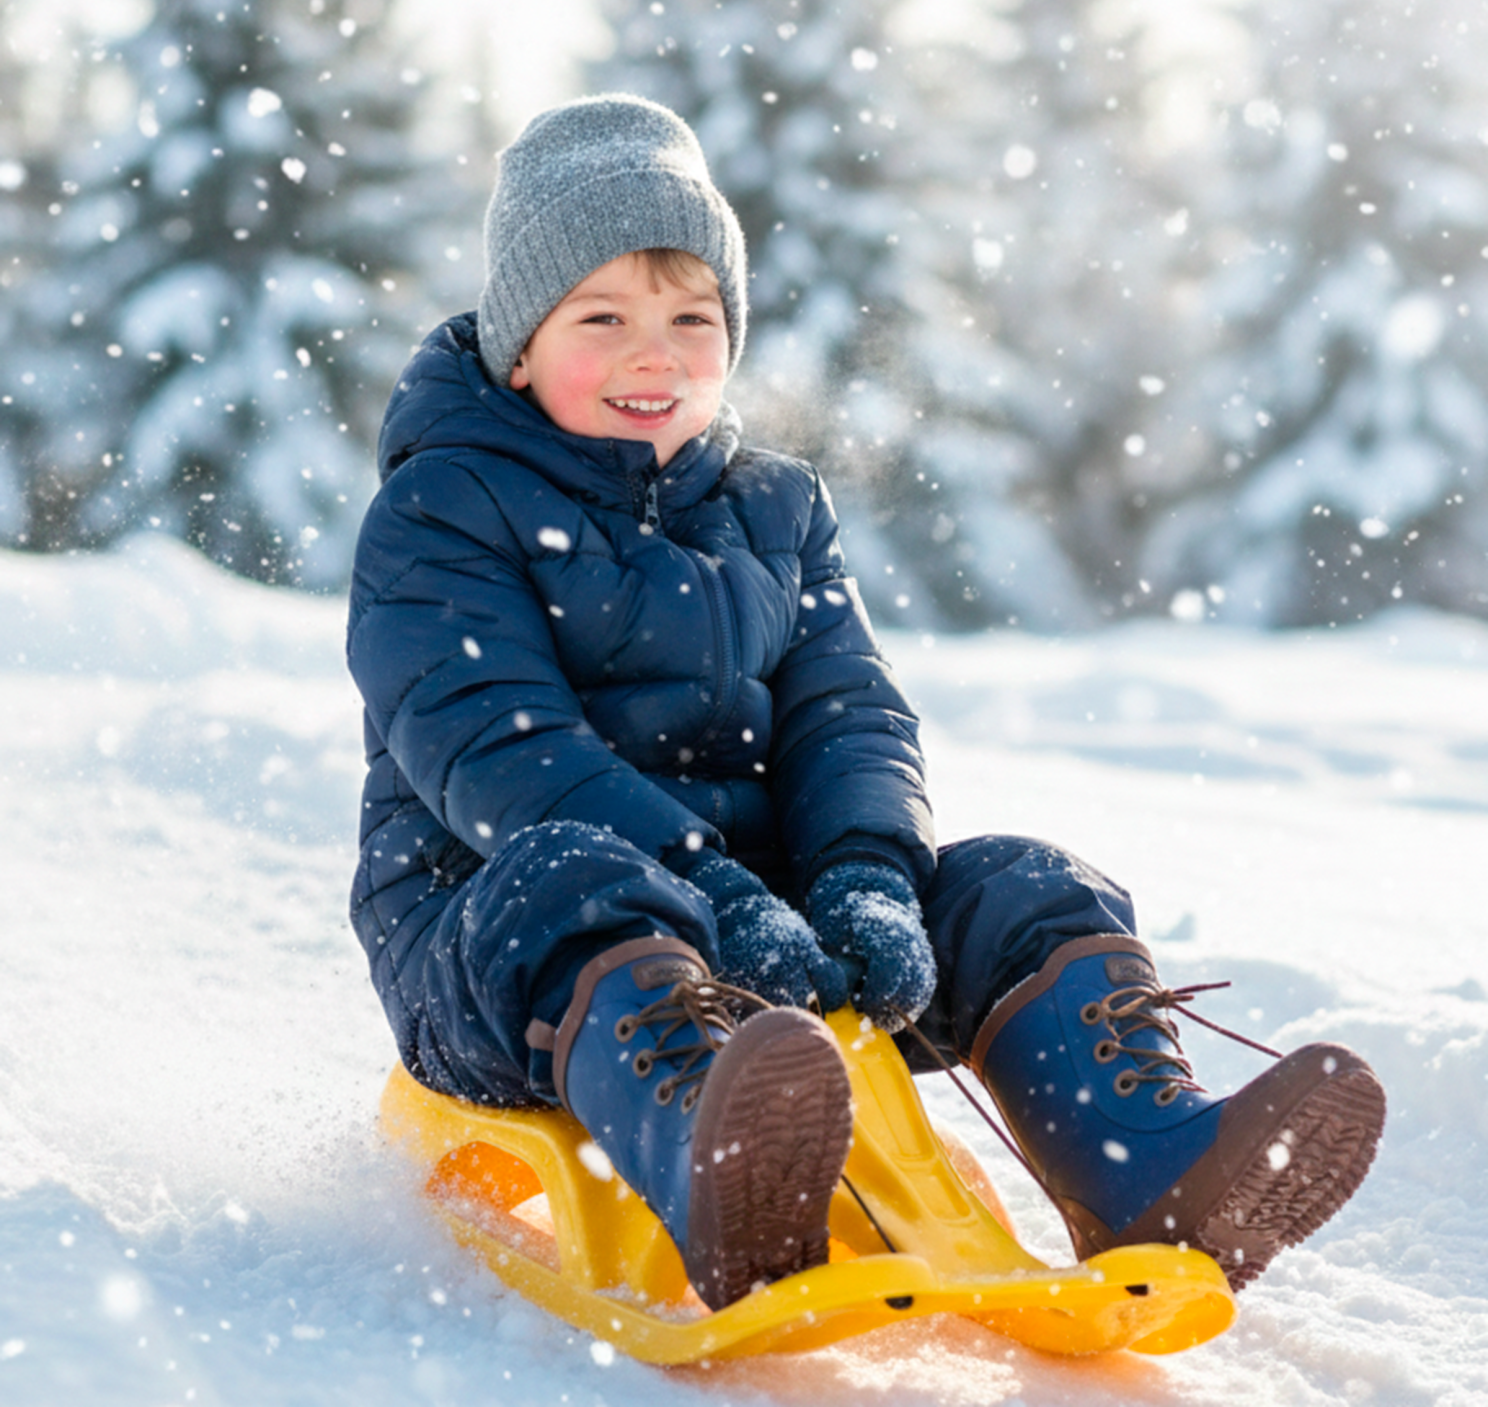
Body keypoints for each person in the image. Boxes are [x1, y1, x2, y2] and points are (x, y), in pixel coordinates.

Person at [346, 94, 1385, 1311]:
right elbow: (496, 748)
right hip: (494, 933)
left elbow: (850, 715)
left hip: (781, 931)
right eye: (604, 316)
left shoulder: (778, 509)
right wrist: (711, 892)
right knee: (572, 872)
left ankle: (1149, 1169)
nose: (657, 353)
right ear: (521, 344)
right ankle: (720, 1169)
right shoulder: (440, 510)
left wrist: (865, 877)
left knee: (1020, 885)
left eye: (694, 316)